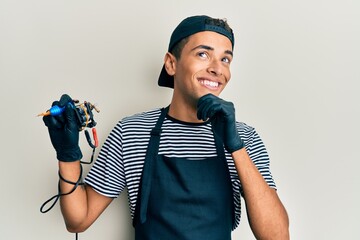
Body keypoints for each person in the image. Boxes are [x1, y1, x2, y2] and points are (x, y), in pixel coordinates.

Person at [43, 15, 289, 240]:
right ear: (171, 64)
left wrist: (235, 146)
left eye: (225, 58)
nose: (217, 68)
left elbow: (277, 236)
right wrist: (68, 154)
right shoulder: (131, 132)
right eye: (203, 54)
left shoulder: (244, 136)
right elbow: (78, 221)